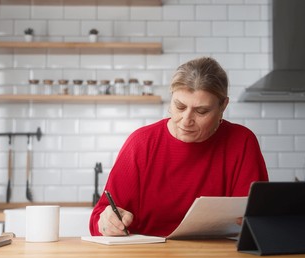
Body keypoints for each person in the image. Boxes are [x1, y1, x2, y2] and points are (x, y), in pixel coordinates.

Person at [89, 56, 269, 237]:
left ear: (223, 105)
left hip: (214, 257)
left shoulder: (242, 142)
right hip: (148, 257)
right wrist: (106, 223)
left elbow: (256, 218)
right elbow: (98, 219)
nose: (186, 120)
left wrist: (254, 221)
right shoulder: (141, 144)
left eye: (201, 111)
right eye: (180, 106)